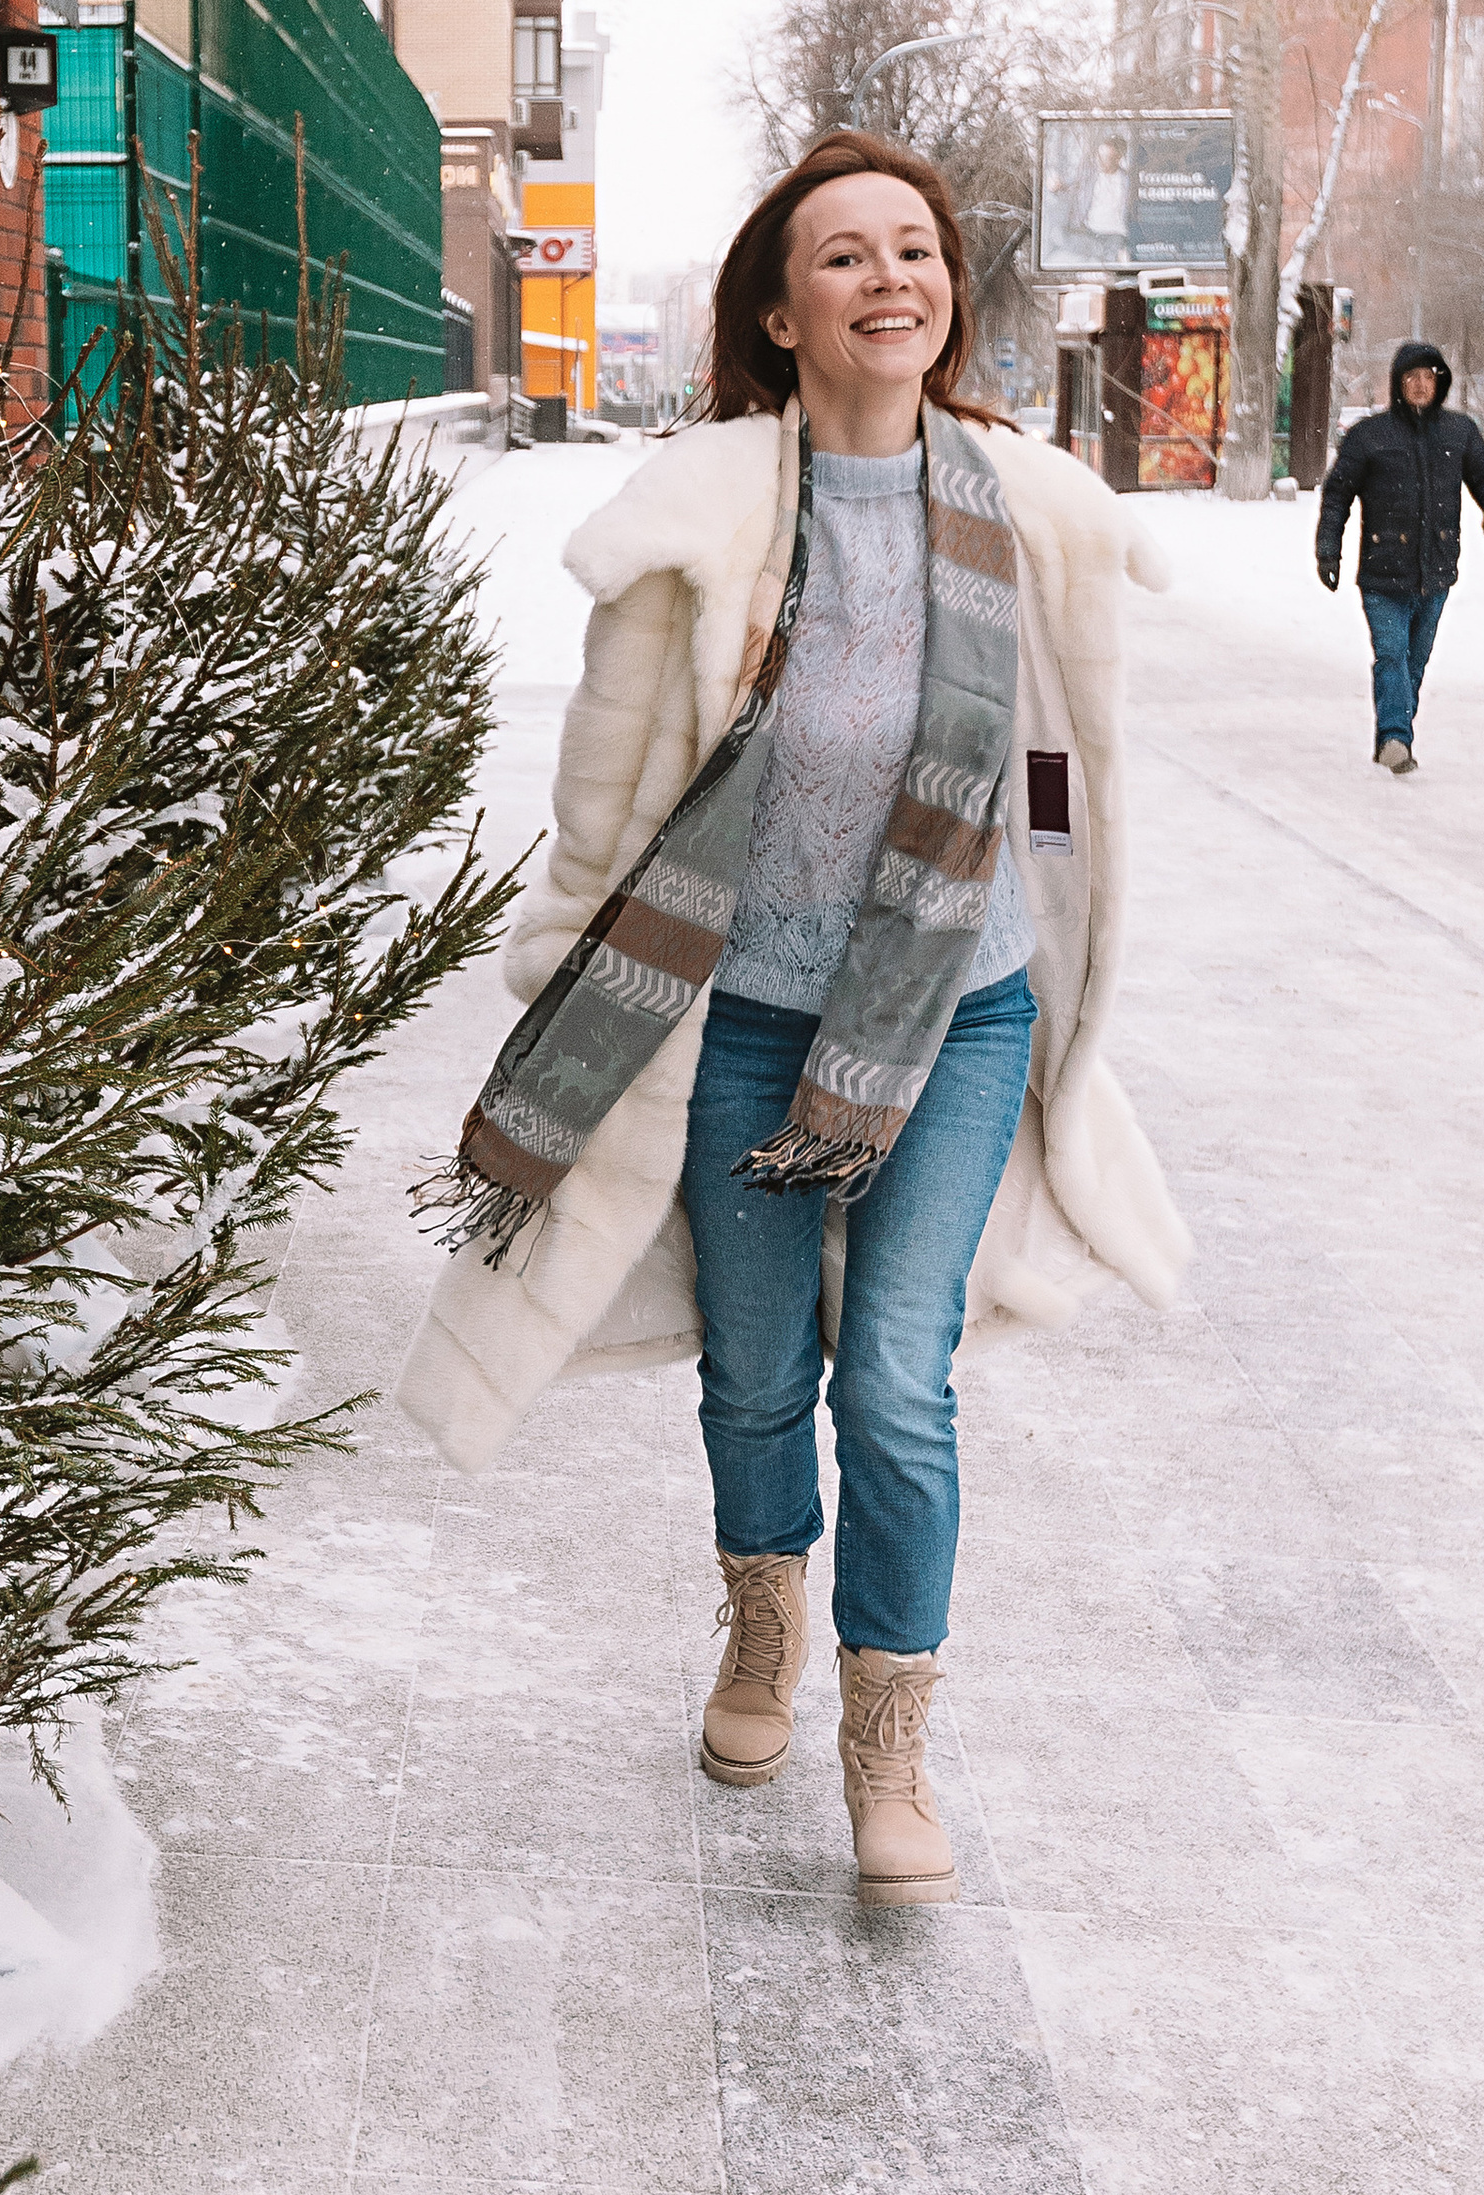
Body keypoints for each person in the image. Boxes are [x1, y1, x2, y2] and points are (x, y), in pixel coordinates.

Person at [401, 131, 1189, 1905]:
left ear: (951, 295)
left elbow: (1066, 770)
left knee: (898, 1385)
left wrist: (1044, 892)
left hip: (959, 1017)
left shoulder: (1029, 513)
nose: (891, 278)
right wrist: (565, 1001)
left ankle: (888, 1737)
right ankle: (762, 1619)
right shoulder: (701, 523)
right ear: (781, 306)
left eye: (916, 250)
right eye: (847, 256)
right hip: (742, 1018)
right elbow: (609, 797)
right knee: (764, 1380)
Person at [1314, 338, 1484, 772]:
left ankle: (1393, 728)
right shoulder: (1370, 436)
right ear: (1398, 384)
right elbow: (1337, 495)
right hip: (1383, 575)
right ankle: (1395, 740)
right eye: (1412, 378)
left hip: (1435, 572)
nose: (1421, 385)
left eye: (1429, 377)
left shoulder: (1459, 432)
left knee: (1413, 663)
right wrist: (1328, 550)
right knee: (1391, 654)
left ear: (1440, 383)